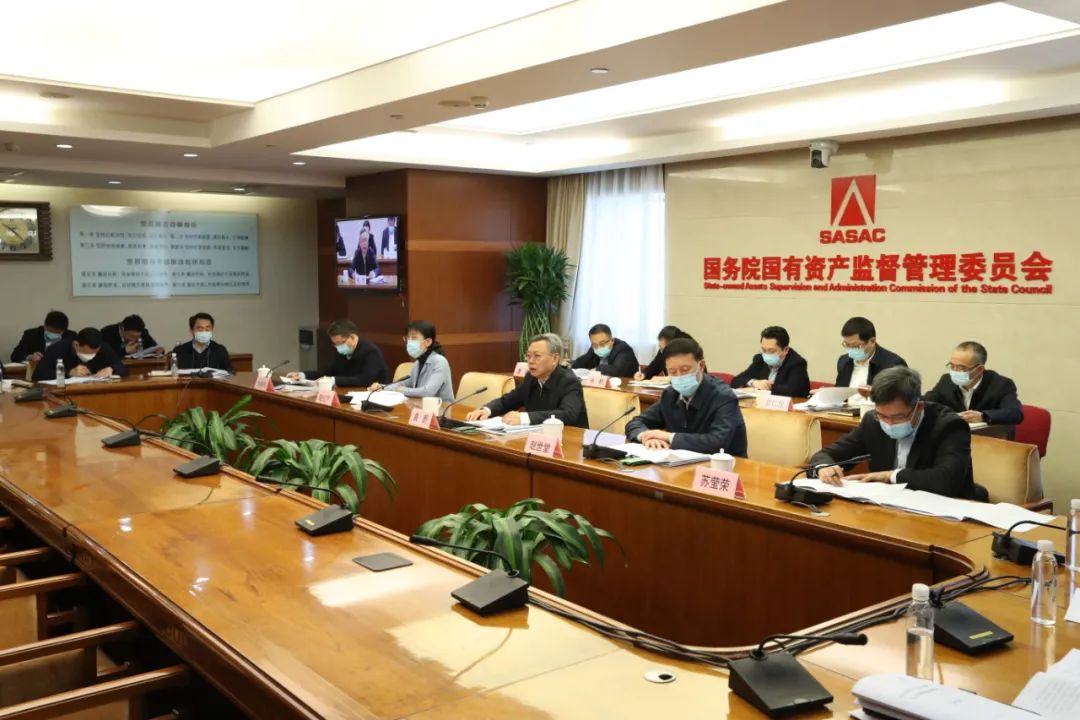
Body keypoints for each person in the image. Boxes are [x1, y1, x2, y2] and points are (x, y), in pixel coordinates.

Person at [810, 367, 980, 500]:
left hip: (945, 510)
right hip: (889, 506)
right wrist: (823, 467)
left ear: (918, 407)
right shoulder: (872, 421)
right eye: (882, 415)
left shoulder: (949, 426)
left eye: (898, 417)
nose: (889, 423)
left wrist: (890, 476)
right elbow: (827, 454)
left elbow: (946, 480)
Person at [624, 338, 747, 455]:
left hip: (727, 465)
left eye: (685, 370)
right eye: (672, 371)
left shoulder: (723, 396)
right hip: (680, 463)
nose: (679, 376)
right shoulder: (670, 394)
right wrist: (646, 437)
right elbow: (636, 423)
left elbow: (718, 442)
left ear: (701, 366)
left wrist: (669, 437)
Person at [466, 333, 588, 428]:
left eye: (537, 356)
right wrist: (487, 410)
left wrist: (524, 418)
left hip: (570, 441)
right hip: (539, 437)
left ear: (555, 358)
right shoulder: (531, 378)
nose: (531, 361)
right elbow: (508, 400)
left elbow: (567, 415)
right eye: (528, 356)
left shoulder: (569, 381)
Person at [923, 341, 1023, 438]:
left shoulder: (1001, 385)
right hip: (954, 441)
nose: (954, 372)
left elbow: (1015, 413)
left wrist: (983, 416)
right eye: (952, 366)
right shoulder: (947, 381)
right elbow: (926, 402)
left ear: (979, 369)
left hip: (989, 441)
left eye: (961, 368)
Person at [369, 320, 453, 402]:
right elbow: (406, 383)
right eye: (408, 338)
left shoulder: (440, 362)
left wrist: (400, 390)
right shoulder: (418, 363)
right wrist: (382, 387)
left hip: (442, 408)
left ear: (428, 342)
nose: (409, 342)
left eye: (414, 338)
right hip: (420, 406)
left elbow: (427, 392)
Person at [287, 319, 387, 387]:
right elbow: (329, 372)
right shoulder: (342, 351)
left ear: (352, 337)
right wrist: (303, 375)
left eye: (340, 343)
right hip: (348, 393)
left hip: (373, 396)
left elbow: (365, 380)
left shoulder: (370, 352)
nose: (338, 347)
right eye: (335, 344)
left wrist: (333, 380)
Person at [834, 316, 906, 396]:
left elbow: (902, 398)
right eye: (847, 345)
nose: (851, 350)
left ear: (872, 341)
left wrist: (875, 394)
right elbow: (839, 393)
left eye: (856, 346)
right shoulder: (844, 361)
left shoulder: (893, 365)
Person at [730, 325, 810, 397]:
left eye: (771, 351)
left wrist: (764, 387)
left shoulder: (796, 363)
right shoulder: (760, 359)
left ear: (785, 350)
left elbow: (794, 390)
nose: (767, 354)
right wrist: (754, 383)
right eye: (764, 350)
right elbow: (736, 381)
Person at [33, 327, 128, 381]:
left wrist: (111, 368)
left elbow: (122, 368)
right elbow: (38, 374)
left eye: (95, 353)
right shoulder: (57, 349)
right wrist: (69, 372)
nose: (91, 356)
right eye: (87, 353)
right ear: (76, 345)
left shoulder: (103, 347)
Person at [571, 323, 640, 378]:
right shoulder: (594, 348)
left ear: (612, 340)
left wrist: (597, 369)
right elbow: (580, 363)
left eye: (602, 343)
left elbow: (617, 370)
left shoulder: (623, 348)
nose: (598, 347)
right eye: (595, 344)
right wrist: (569, 366)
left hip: (626, 387)